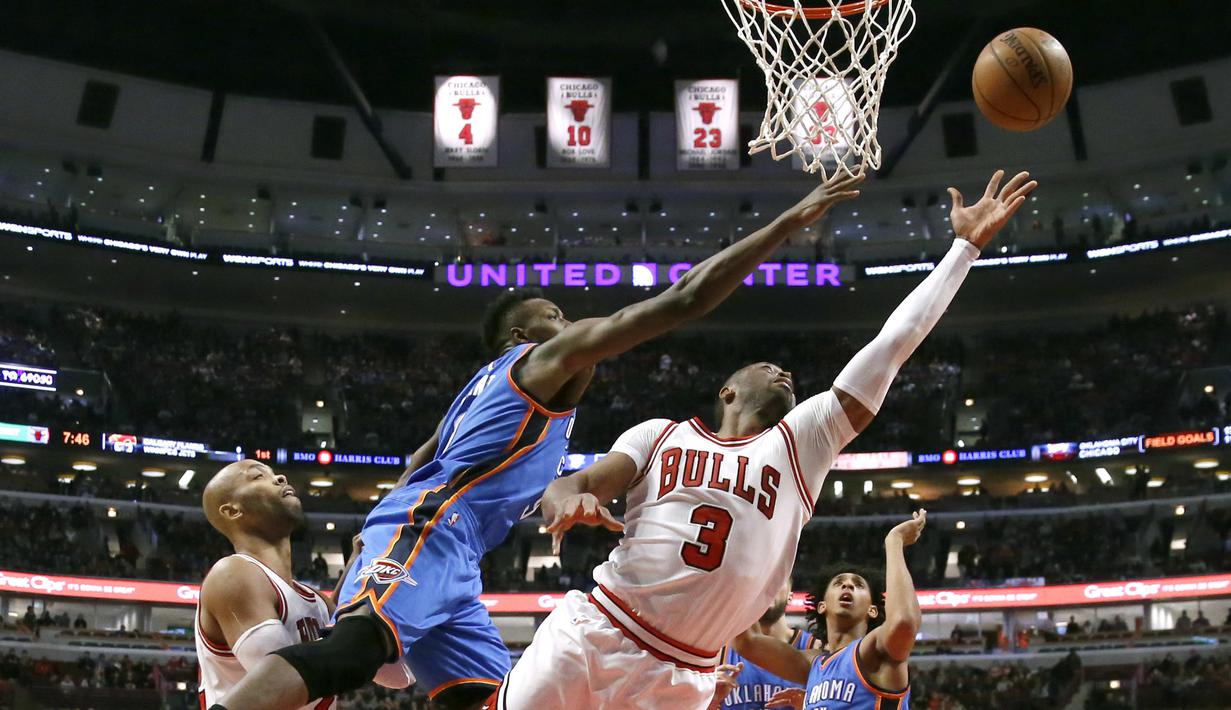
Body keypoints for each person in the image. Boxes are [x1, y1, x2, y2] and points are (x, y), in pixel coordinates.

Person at [218, 176, 864, 710]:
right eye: (554, 317)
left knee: (481, 698)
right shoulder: (536, 362)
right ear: (520, 334)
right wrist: (789, 223)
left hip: (454, 548)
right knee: (355, 653)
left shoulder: (477, 389)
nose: (571, 326)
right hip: (435, 525)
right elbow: (685, 298)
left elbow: (422, 456)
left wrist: (372, 525)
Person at [496, 170, 1035, 709]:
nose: (784, 375)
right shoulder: (661, 434)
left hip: (686, 673)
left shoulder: (804, 440)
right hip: (600, 626)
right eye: (766, 367)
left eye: (789, 376)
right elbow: (574, 483)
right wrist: (572, 499)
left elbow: (893, 343)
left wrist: (964, 249)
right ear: (727, 391)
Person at [195, 460, 408, 710]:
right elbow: (284, 684)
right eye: (257, 477)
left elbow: (398, 676)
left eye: (274, 473)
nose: (280, 478)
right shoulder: (232, 574)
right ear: (232, 511)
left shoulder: (313, 599)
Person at [731, 512, 926, 710]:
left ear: (873, 610)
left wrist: (894, 542)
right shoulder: (813, 664)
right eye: (839, 583)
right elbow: (746, 641)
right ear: (822, 606)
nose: (847, 586)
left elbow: (904, 623)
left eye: (858, 585)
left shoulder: (874, 652)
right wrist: (742, 550)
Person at [711, 580, 820, 710]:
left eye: (777, 579)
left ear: (790, 595)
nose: (768, 586)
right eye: (763, 581)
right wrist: (708, 701)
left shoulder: (816, 648)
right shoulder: (717, 652)